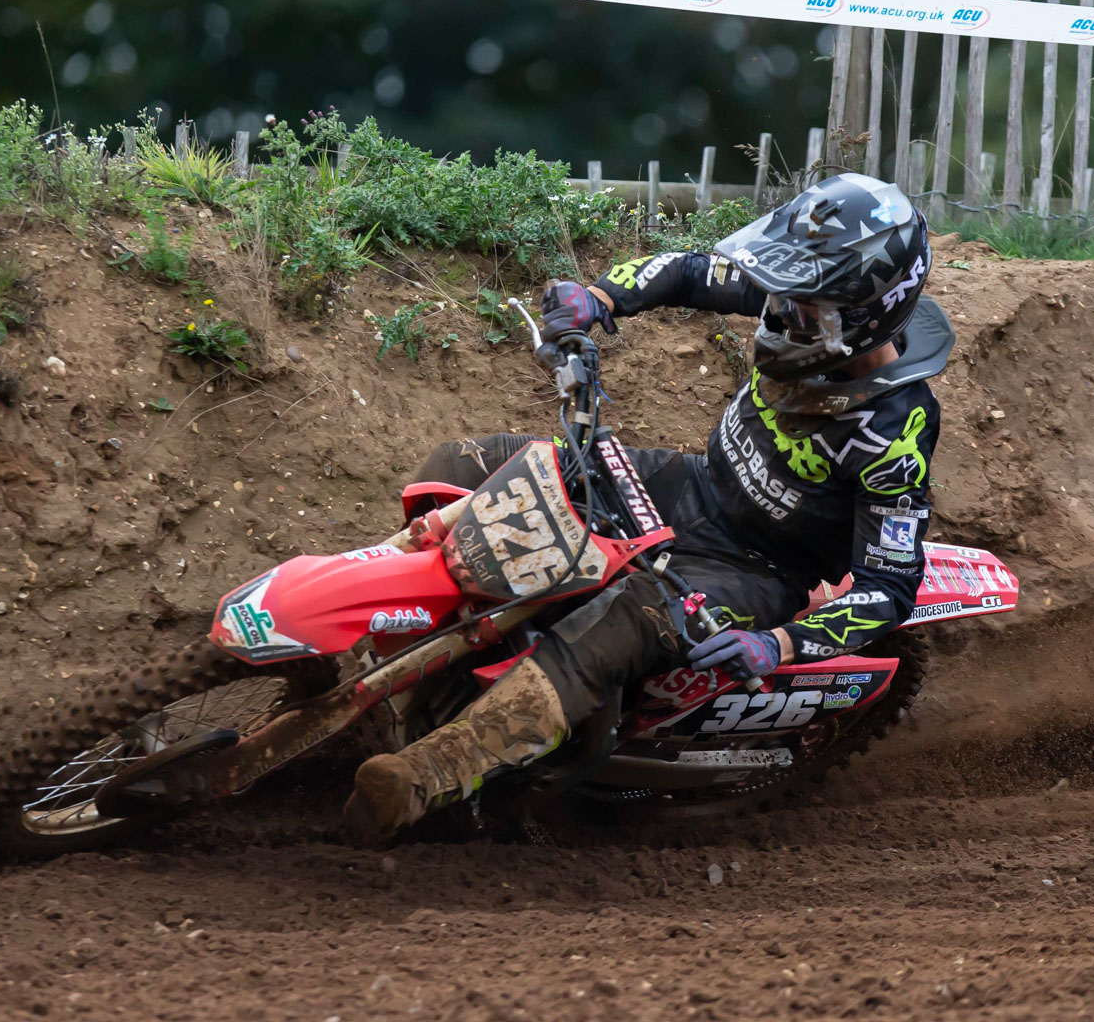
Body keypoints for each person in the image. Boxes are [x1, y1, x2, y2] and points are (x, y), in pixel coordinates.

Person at [343, 172, 955, 842]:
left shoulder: (897, 430)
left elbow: (889, 588)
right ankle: (375, 623)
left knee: (624, 621)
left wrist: (776, 642)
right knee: (465, 464)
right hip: (691, 484)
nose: (781, 313)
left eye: (803, 308)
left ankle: (428, 774)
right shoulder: (810, 296)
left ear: (866, 312)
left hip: (757, 569)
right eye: (784, 295)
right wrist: (600, 297)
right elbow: (692, 271)